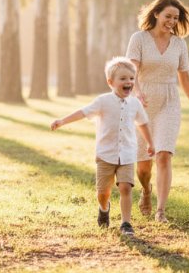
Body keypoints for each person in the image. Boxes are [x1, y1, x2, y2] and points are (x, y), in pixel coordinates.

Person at [50, 57, 155, 237]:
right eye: (123, 79)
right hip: (106, 154)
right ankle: (104, 208)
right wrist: (62, 121)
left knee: (125, 188)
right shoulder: (103, 101)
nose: (128, 82)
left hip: (128, 154)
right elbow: (82, 112)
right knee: (103, 192)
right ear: (110, 82)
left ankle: (126, 223)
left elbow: (143, 123)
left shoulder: (135, 103)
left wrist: (150, 143)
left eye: (131, 78)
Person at [126, 0, 189, 223]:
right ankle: (146, 190)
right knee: (143, 167)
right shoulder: (139, 39)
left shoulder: (180, 44)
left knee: (163, 155)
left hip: (169, 101)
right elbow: (132, 70)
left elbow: (185, 78)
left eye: (176, 17)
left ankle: (161, 210)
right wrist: (137, 91)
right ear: (155, 14)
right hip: (143, 103)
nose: (171, 21)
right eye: (167, 16)